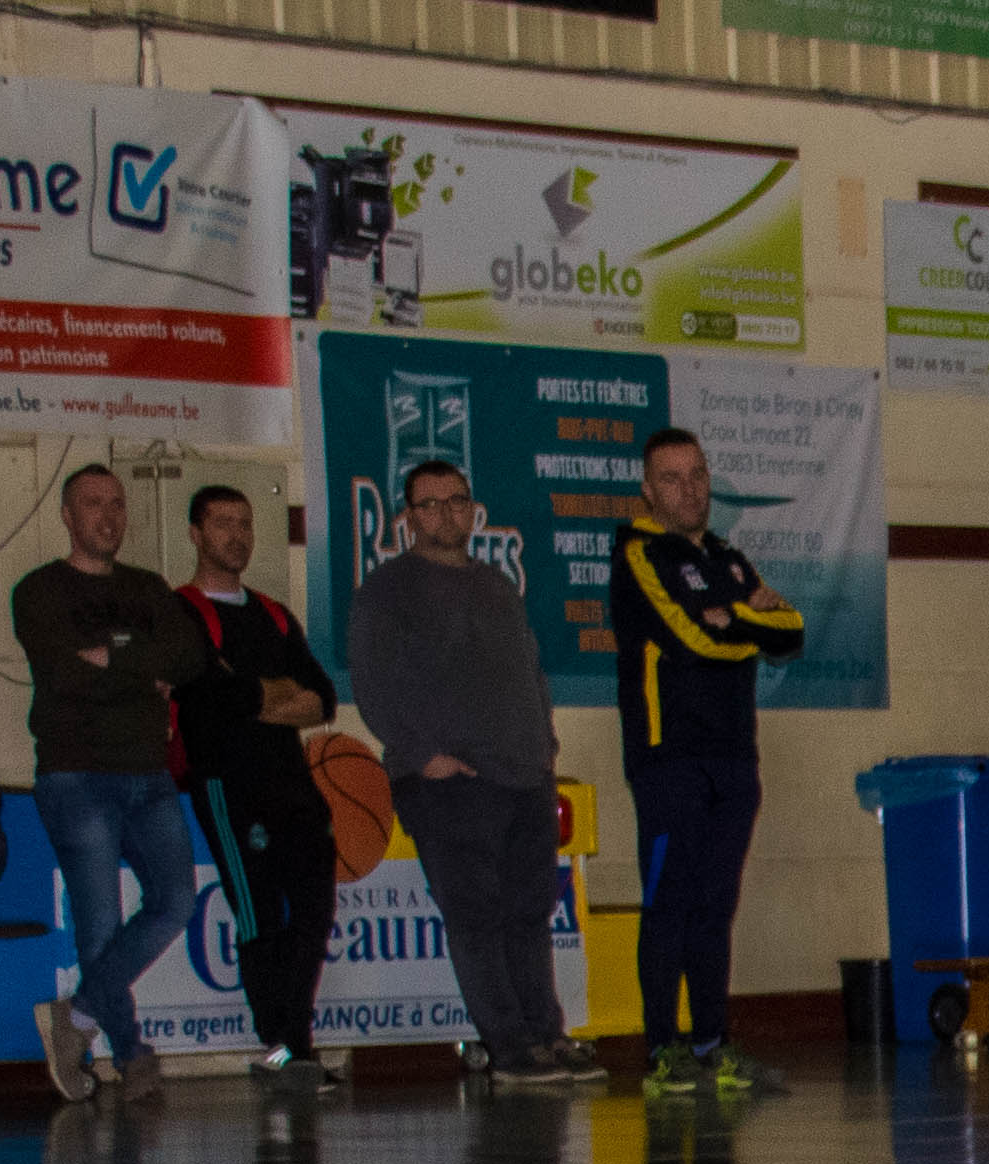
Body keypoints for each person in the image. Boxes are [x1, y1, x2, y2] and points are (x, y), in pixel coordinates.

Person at [348, 458, 588, 1086]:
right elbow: (371, 682)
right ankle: (508, 1046)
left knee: (529, 913)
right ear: (408, 517)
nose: (445, 514)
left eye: (456, 501)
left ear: (472, 510)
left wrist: (543, 745)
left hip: (523, 775)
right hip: (447, 782)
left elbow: (529, 667)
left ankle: (546, 1033)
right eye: (429, 504)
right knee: (475, 916)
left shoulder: (496, 585)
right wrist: (423, 753)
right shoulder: (389, 589)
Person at [611, 424, 804, 1098]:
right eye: (671, 478)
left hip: (734, 757)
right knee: (670, 902)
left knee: (716, 905)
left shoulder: (729, 558)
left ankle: (713, 1045)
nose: (688, 490)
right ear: (647, 489)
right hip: (669, 758)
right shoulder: (637, 553)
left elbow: (792, 630)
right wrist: (745, 622)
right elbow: (693, 640)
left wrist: (735, 617)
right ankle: (663, 1051)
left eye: (697, 475)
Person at [11, 462, 208, 1105]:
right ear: (67, 516)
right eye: (93, 503)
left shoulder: (148, 587)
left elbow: (190, 658)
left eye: (117, 503)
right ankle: (129, 1054)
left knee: (176, 900)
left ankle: (73, 1017)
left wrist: (111, 654)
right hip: (77, 773)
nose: (108, 515)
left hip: (147, 771)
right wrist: (141, 661)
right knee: (99, 924)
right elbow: (64, 675)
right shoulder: (40, 590)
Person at [175, 481, 341, 1084]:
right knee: (259, 914)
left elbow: (322, 699)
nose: (237, 535)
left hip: (291, 784)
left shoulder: (273, 614)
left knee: (315, 909)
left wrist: (255, 698)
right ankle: (284, 1046)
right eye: (222, 523)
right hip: (228, 787)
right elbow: (208, 700)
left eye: (244, 523)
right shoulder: (182, 612)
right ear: (195, 534)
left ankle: (292, 1044)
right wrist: (271, 695)